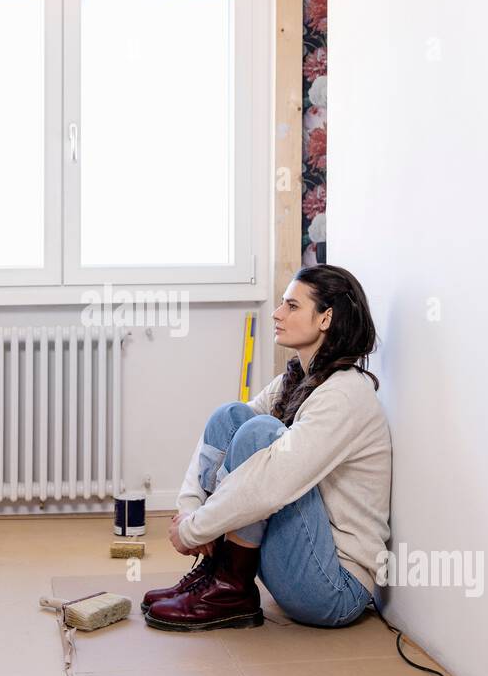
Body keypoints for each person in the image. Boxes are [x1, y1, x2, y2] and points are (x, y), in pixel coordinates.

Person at [142, 263, 392, 631]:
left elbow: (270, 482)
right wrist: (190, 510)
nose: (277, 314)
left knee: (260, 435)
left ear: (326, 319)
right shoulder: (297, 380)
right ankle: (220, 574)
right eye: (281, 304)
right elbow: (222, 434)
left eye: (292, 306)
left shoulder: (344, 395)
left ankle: (232, 588)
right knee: (231, 415)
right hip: (301, 560)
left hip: (335, 589)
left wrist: (195, 529)